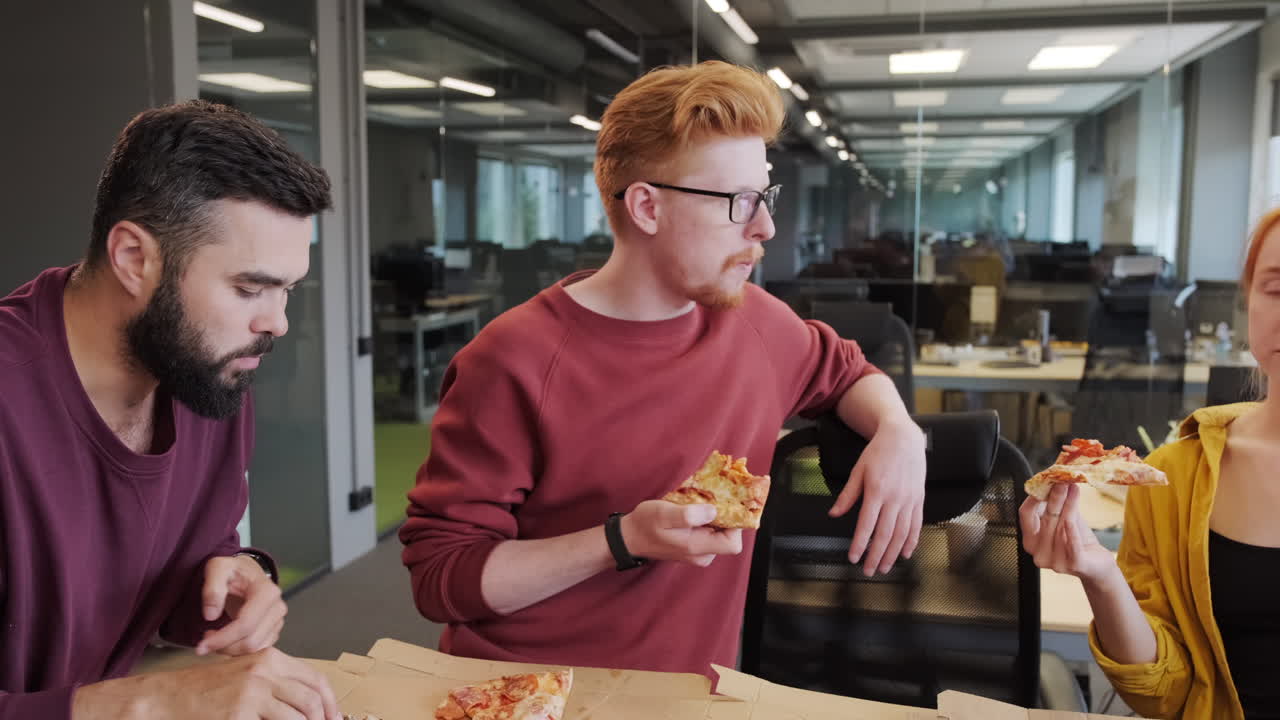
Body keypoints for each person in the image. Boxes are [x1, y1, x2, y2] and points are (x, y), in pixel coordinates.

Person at [400, 61, 927, 677]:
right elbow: (442, 580)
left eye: (765, 196)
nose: (766, 226)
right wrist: (621, 541)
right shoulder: (512, 360)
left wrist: (899, 432)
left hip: (680, 698)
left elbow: (848, 373)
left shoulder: (757, 322)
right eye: (739, 202)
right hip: (526, 692)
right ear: (647, 207)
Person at [0, 101, 342, 720]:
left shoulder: (207, 373)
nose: (278, 323)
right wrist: (152, 700)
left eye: (288, 289)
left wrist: (230, 578)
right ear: (134, 257)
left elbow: (177, 563)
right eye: (248, 289)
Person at [1022, 207, 1280, 719]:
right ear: (1248, 302)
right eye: (1276, 288)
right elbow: (1164, 693)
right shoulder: (1178, 475)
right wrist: (1101, 575)